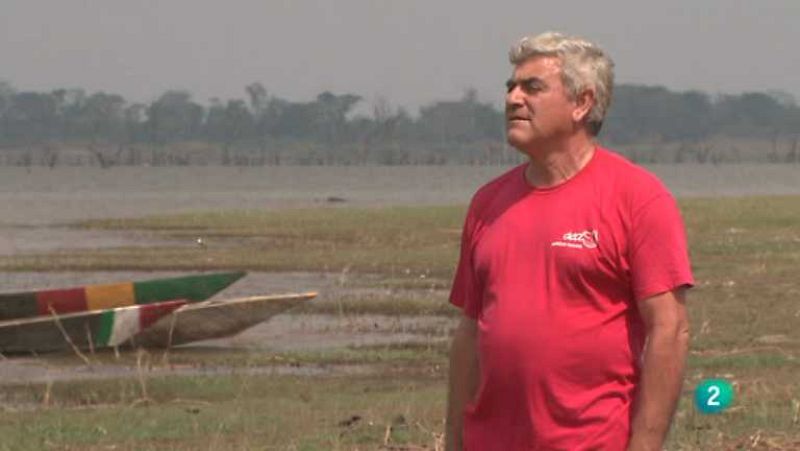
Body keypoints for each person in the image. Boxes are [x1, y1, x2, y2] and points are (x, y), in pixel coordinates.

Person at [445, 32, 693, 451]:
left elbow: (670, 330)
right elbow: (469, 333)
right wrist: (454, 440)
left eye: (533, 87)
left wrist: (645, 444)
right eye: (511, 87)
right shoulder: (487, 203)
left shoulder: (637, 198)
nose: (513, 99)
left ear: (581, 103)